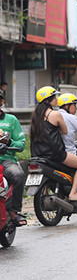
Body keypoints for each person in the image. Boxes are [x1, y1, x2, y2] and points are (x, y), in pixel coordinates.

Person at [30, 86, 77, 201]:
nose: (56, 99)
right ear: (48, 100)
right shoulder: (55, 114)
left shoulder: (35, 116)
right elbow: (64, 131)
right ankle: (73, 193)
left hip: (37, 154)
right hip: (55, 153)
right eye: (54, 97)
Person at [0, 90, 27, 226]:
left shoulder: (11, 120)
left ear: (2, 101)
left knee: (18, 175)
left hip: (6, 161)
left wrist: (9, 143)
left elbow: (21, 144)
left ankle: (13, 212)